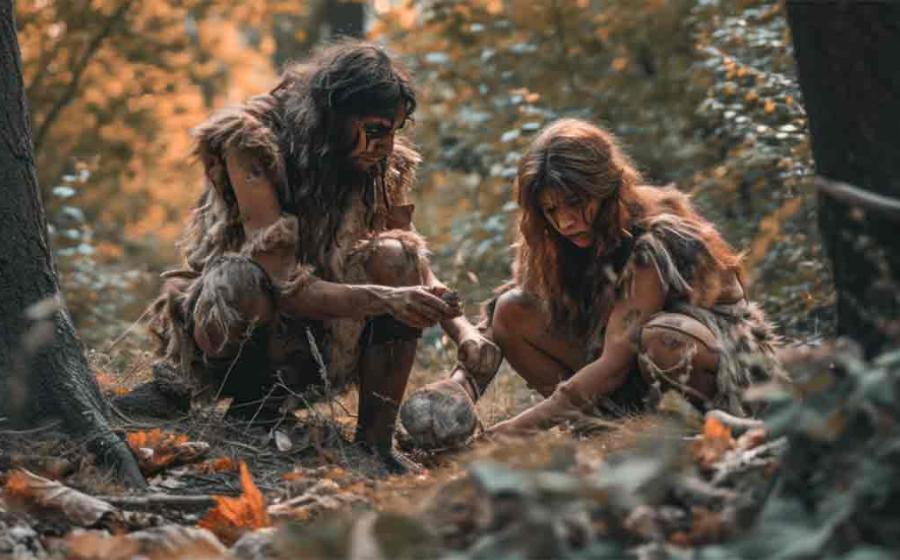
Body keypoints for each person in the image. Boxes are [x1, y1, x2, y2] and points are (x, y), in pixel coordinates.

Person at [147, 42, 497, 471]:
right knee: (237, 279)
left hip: (324, 346)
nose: (386, 145)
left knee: (395, 255)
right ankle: (248, 407)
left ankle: (375, 445)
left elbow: (412, 264)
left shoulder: (380, 162)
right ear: (334, 113)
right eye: (376, 129)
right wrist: (386, 300)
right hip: (236, 336)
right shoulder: (251, 140)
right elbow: (284, 284)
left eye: (394, 131)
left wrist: (464, 333)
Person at [405, 118, 785, 440]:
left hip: (728, 377)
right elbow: (496, 324)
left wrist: (497, 440)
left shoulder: (657, 233)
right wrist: (458, 388)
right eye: (552, 209)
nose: (565, 221)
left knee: (663, 336)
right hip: (632, 374)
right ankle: (609, 430)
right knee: (511, 310)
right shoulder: (556, 239)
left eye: (575, 203)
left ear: (606, 189)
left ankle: (700, 435)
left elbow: (614, 364)